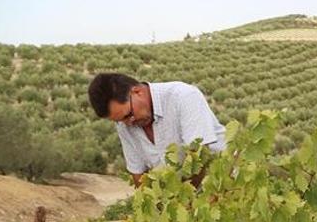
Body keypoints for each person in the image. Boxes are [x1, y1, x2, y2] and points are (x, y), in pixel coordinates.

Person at [87, 73, 226, 187]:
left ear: (137, 92)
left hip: (224, 186)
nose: (129, 123)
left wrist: (182, 201)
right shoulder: (124, 124)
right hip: (181, 200)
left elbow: (199, 156)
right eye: (119, 121)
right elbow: (138, 174)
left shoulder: (183, 96)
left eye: (129, 115)